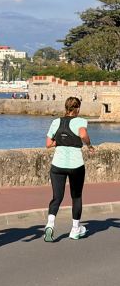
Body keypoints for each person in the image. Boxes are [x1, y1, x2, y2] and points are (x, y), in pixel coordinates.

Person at [44, 96, 94, 242]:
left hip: (57, 165)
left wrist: (61, 140)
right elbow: (83, 134)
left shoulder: (56, 122)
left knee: (57, 197)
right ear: (78, 109)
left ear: (65, 108)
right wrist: (89, 145)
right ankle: (75, 229)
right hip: (75, 165)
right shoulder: (81, 121)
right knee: (76, 196)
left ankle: (50, 224)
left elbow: (48, 143)